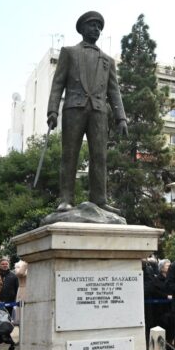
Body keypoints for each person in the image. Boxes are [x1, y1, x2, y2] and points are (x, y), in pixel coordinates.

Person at [47, 11, 127, 213]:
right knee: (70, 155)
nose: (96, 30)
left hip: (99, 111)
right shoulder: (69, 52)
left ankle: (99, 199)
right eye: (92, 25)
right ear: (82, 29)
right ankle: (66, 199)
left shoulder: (108, 60)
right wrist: (52, 111)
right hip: (74, 108)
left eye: (99, 27)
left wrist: (121, 118)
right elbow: (57, 84)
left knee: (99, 156)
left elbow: (114, 90)